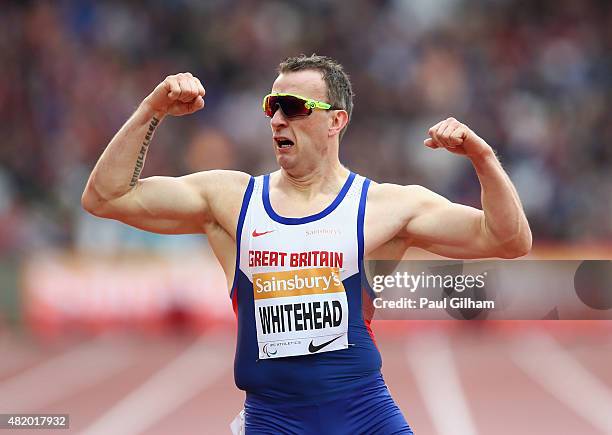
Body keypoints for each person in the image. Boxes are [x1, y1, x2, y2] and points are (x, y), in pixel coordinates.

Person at [82, 54, 531, 434]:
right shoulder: (231, 200)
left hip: (364, 416)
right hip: (273, 421)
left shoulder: (387, 207)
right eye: (272, 106)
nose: (277, 118)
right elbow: (106, 197)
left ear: (336, 121)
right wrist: (152, 109)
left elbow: (508, 239)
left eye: (294, 107)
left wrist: (483, 158)